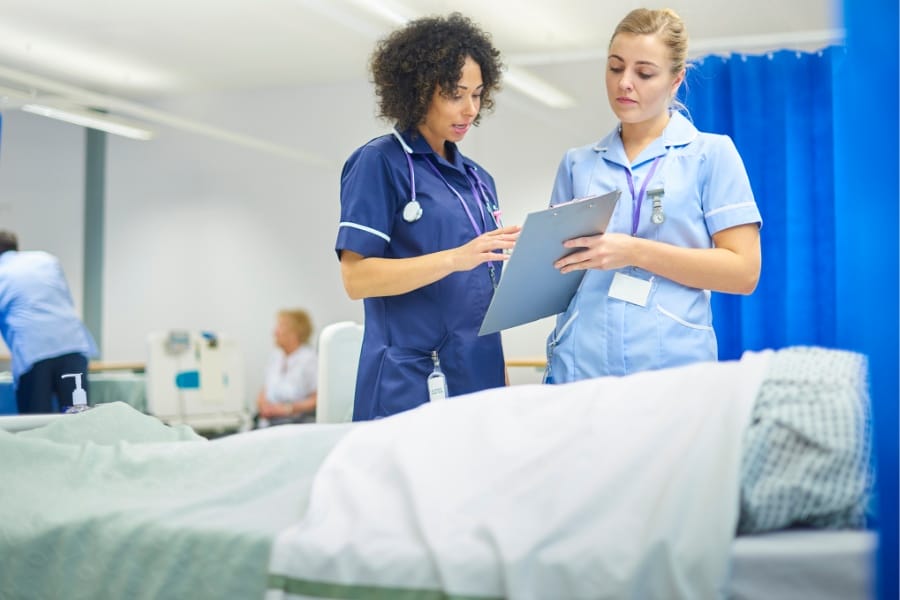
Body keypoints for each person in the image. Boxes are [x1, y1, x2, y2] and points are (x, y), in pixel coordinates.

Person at [545, 8, 762, 383]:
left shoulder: (710, 155)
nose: (625, 83)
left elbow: (744, 273)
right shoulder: (578, 164)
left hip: (673, 368)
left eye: (644, 73)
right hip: (581, 368)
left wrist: (633, 251)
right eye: (615, 68)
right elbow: (556, 276)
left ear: (676, 80)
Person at [336, 13, 520, 421]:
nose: (470, 109)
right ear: (418, 91)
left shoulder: (478, 179)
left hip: (480, 375)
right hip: (412, 380)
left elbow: (479, 293)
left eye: (477, 94)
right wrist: (456, 258)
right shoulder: (379, 163)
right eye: (456, 94)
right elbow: (356, 278)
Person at [0, 230, 98, 413]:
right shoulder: (46, 259)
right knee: (78, 417)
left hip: (34, 353)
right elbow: (65, 299)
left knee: (35, 424)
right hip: (73, 345)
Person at [255, 308, 318, 426]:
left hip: (294, 424)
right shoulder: (276, 356)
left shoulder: (309, 360)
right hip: (268, 422)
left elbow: (318, 399)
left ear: (295, 333)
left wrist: (287, 408)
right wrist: (263, 405)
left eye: (280, 326)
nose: (275, 332)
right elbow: (265, 389)